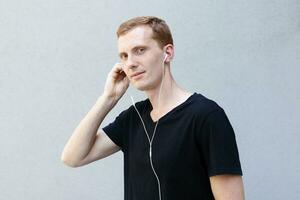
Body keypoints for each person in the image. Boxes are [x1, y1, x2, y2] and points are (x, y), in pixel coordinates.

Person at [61, 16, 245, 200]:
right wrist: (108, 98)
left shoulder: (206, 116)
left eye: (140, 50)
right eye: (124, 56)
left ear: (168, 53)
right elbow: (73, 157)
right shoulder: (133, 118)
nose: (130, 63)